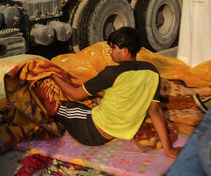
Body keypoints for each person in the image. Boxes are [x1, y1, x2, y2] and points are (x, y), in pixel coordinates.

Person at [49, 27, 180, 159]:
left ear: (125, 51)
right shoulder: (152, 71)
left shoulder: (112, 73)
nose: (109, 51)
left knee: (56, 103)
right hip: (110, 133)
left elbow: (75, 94)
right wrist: (169, 149)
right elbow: (155, 110)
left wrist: (52, 75)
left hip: (90, 132)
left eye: (113, 47)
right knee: (84, 106)